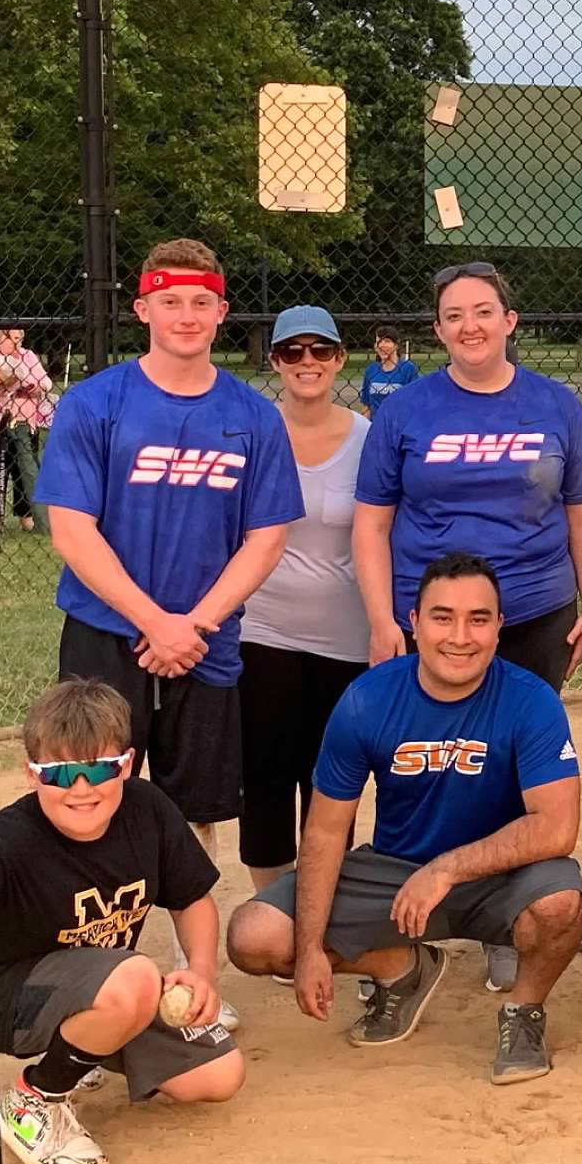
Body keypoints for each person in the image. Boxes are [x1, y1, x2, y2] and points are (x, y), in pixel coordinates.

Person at [35, 238, 302, 1029]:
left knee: (191, 815)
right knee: (86, 796)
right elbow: (71, 528)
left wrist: (196, 623)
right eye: (169, 299)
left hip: (206, 641)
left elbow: (265, 538)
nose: (186, 315)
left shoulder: (250, 416)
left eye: (201, 301)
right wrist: (154, 621)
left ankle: (194, 985)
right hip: (106, 636)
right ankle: (85, 977)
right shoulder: (98, 403)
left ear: (222, 311)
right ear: (142, 308)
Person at [225, 553, 582, 1085]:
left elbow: (556, 828)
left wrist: (445, 870)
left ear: (499, 627)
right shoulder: (367, 700)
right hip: (397, 873)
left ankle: (524, 1012)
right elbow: (326, 830)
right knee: (256, 937)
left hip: (499, 877)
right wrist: (308, 950)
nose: (460, 636)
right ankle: (400, 968)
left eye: (478, 619)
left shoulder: (530, 700)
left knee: (561, 905)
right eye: (442, 617)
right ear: (413, 623)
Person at [0, 679, 243, 1164]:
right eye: (60, 773)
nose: (81, 788)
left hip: (94, 982)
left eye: (98, 768)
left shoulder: (149, 810)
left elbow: (192, 901)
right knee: (136, 978)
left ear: (126, 763)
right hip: (0, 992)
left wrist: (202, 972)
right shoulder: (7, 843)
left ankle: (88, 1044)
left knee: (217, 1076)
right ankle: (37, 1098)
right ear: (31, 776)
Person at [353, 262, 582, 692]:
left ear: (509, 321)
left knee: (522, 750)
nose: (469, 326)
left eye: (483, 312)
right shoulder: (403, 410)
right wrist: (381, 621)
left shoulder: (557, 405)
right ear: (438, 330)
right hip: (432, 616)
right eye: (454, 316)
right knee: (433, 749)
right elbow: (371, 525)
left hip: (535, 609)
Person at [236, 304, 372, 892]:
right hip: (261, 630)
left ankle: (322, 904)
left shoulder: (368, 438)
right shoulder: (252, 431)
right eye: (292, 351)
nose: (307, 362)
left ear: (340, 359)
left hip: (345, 636)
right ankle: (272, 909)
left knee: (329, 780)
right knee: (264, 775)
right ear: (275, 361)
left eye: (320, 350)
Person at [0, 325, 53, 545]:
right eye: (13, 339)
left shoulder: (28, 357)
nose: (18, 344)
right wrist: (6, 386)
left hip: (25, 420)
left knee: (24, 471)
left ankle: (27, 515)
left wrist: (36, 389)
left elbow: (45, 382)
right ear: (0, 339)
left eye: (20, 339)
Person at [360, 324, 419, 415]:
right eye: (379, 341)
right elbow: (367, 406)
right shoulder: (371, 370)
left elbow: (415, 403)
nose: (382, 345)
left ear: (396, 345)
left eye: (387, 341)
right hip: (377, 425)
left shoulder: (408, 369)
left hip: (400, 424)